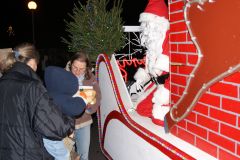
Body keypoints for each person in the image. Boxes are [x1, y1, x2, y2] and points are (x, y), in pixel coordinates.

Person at [0, 43, 74, 160]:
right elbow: (56, 127)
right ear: (32, 61)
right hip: (27, 154)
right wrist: (69, 120)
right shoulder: (32, 87)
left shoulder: (2, 82)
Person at [43, 66, 96, 160]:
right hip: (55, 138)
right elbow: (76, 108)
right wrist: (84, 98)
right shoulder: (59, 97)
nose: (78, 70)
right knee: (64, 156)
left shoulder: (48, 95)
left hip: (52, 135)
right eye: (75, 67)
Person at [66, 52, 101, 160]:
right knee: (67, 156)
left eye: (82, 69)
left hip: (84, 122)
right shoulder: (62, 76)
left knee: (83, 156)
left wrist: (89, 110)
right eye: (75, 68)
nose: (78, 72)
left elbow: (98, 96)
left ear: (86, 68)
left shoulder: (90, 77)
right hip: (65, 123)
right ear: (70, 64)